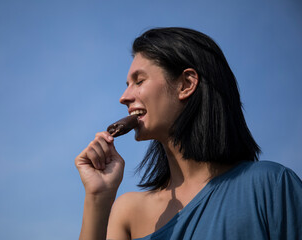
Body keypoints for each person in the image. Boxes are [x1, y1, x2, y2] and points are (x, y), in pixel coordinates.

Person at [75, 27, 302, 240]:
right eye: (127, 84)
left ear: (186, 84)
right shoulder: (128, 212)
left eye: (139, 81)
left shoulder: (271, 185)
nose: (124, 97)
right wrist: (97, 197)